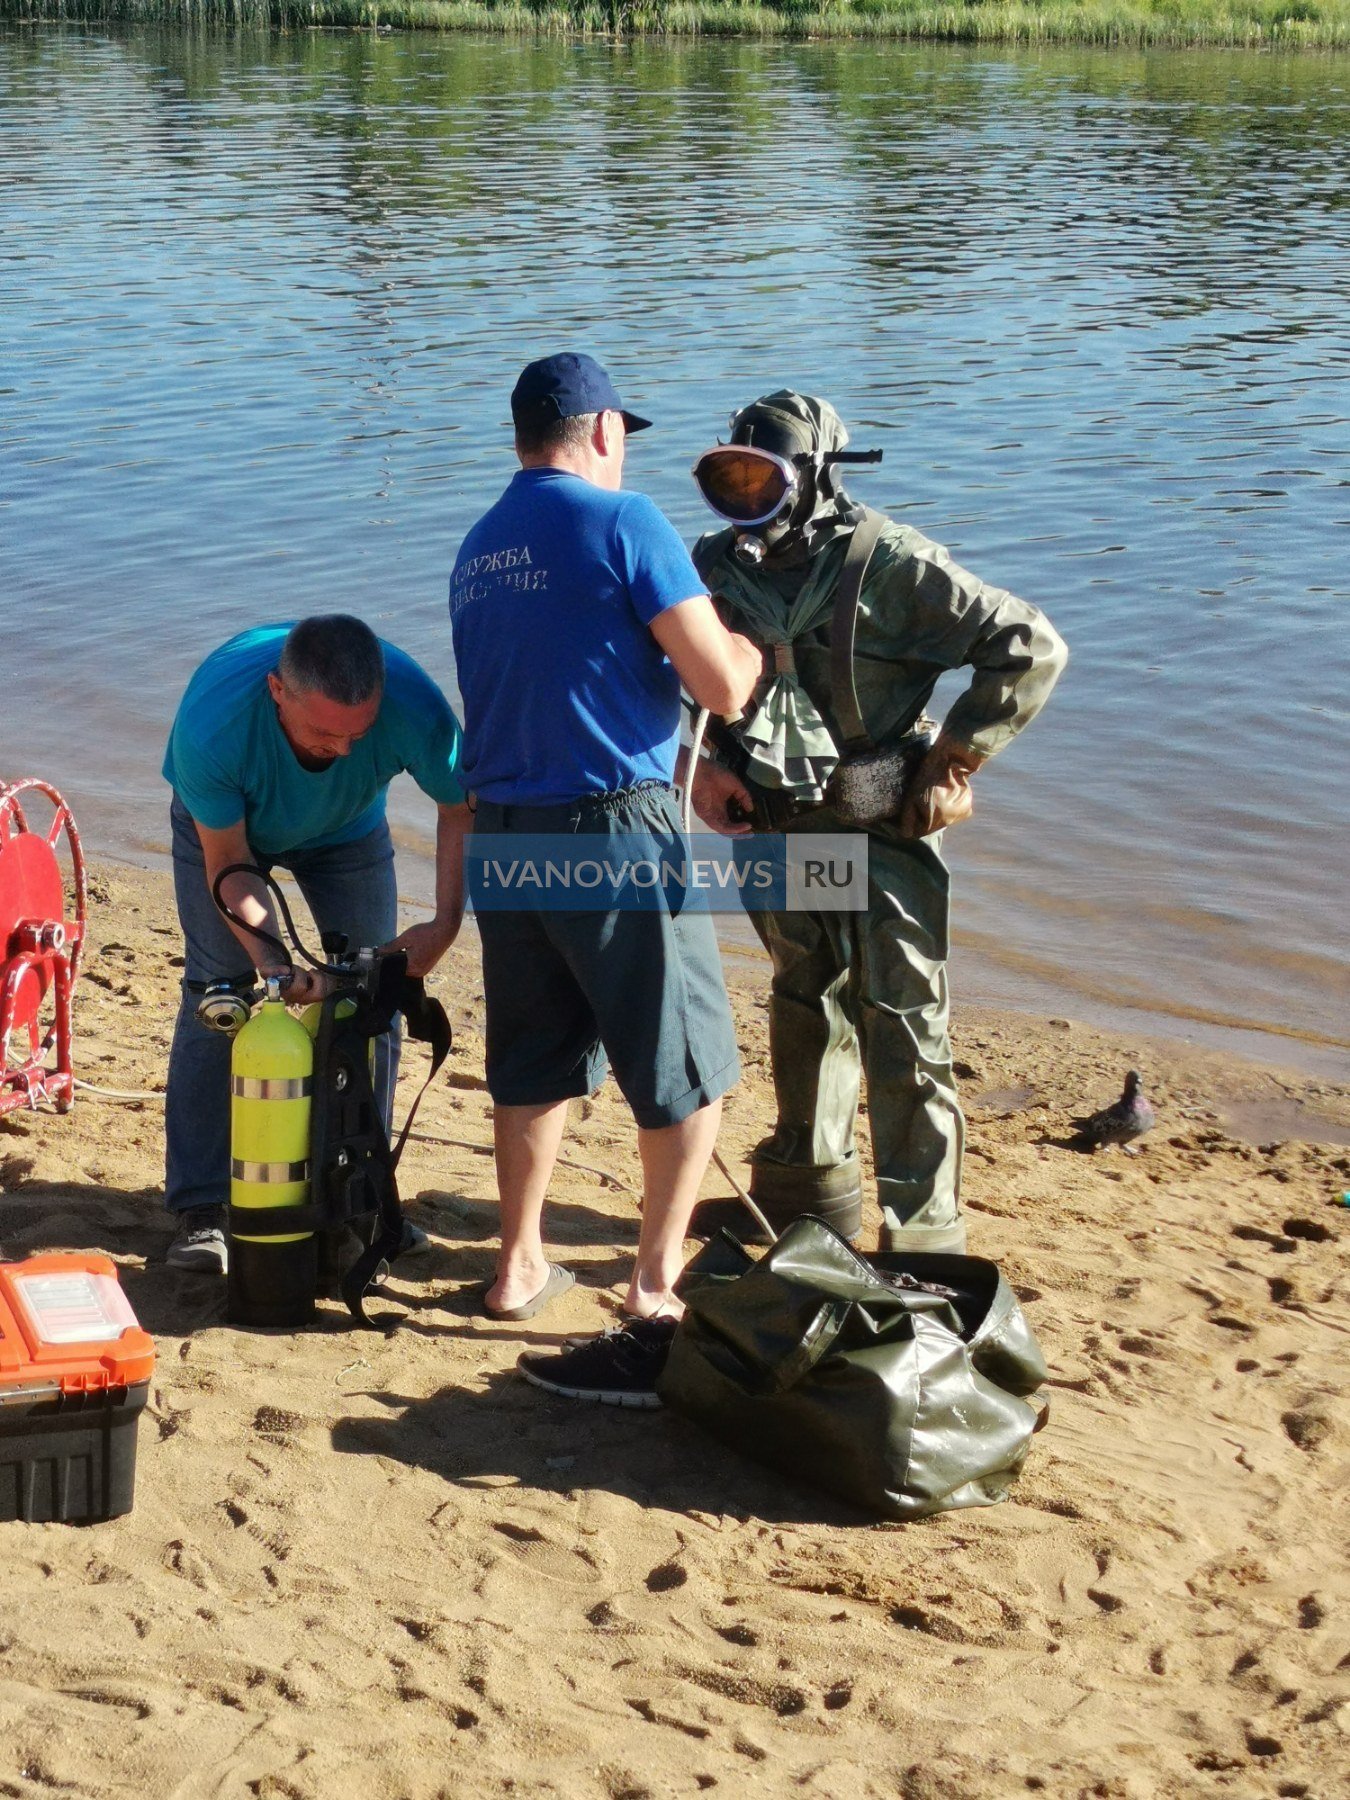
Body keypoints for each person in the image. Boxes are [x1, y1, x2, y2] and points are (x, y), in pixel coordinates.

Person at [687, 391, 1068, 1255]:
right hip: (773, 819)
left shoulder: (889, 565)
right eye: (727, 480)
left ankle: (925, 1236)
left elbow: (1029, 644)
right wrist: (705, 760)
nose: (746, 500)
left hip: (878, 818)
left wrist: (957, 757)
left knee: (903, 1019)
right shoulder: (713, 568)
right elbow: (671, 662)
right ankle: (806, 1196)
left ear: (814, 476)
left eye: (763, 480)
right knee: (801, 998)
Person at [448, 352, 761, 1401]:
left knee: (534, 1057)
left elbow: (554, 675)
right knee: (686, 1060)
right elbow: (715, 678)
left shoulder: (478, 545)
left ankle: (516, 1264)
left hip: (504, 836)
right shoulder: (626, 524)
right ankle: (655, 1284)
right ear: (603, 433)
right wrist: (750, 660)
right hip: (610, 834)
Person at [162, 614, 472, 1274]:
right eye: (325, 734)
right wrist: (273, 966)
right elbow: (229, 861)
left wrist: (445, 924)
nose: (344, 750)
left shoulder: (414, 706)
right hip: (226, 833)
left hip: (347, 833)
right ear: (278, 690)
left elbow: (461, 805)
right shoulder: (213, 726)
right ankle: (203, 1208)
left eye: (360, 733)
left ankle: (359, 1197)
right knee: (221, 995)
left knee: (374, 999)